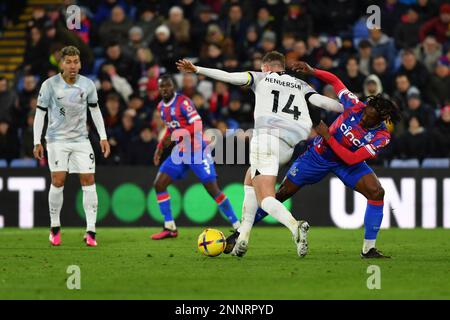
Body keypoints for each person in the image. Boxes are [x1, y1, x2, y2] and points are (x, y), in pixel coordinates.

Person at [226, 61, 402, 259]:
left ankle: (368, 249)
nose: (362, 117)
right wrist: (312, 71)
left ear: (381, 119)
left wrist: (327, 135)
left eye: (368, 118)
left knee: (377, 192)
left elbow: (352, 159)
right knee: (280, 195)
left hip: (346, 163)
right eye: (364, 111)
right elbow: (335, 80)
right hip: (317, 156)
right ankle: (239, 233)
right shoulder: (356, 106)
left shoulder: (382, 137)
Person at [176, 51, 343, 257]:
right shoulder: (300, 84)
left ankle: (294, 226)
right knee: (249, 182)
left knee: (265, 198)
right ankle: (243, 238)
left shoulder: (260, 77)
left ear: (266, 66)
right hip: (288, 147)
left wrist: (197, 69)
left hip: (266, 139)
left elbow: (229, 76)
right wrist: (353, 108)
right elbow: (324, 103)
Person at [33, 46, 110, 247]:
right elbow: (40, 113)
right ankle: (55, 227)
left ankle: (91, 230)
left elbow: (95, 110)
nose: (73, 65)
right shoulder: (49, 85)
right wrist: (37, 141)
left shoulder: (87, 85)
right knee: (58, 181)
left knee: (89, 180)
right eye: (68, 62)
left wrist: (103, 136)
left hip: (81, 140)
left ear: (80, 63)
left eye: (76, 61)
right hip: (57, 140)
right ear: (61, 63)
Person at [150, 75, 240, 240]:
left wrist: (181, 134)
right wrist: (159, 148)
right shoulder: (161, 107)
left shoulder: (183, 102)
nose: (164, 89)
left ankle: (237, 225)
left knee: (212, 189)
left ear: (174, 87)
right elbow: (170, 130)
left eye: (167, 86)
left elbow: (197, 125)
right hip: (180, 152)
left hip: (197, 150)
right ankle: (169, 227)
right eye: (161, 86)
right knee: (159, 184)